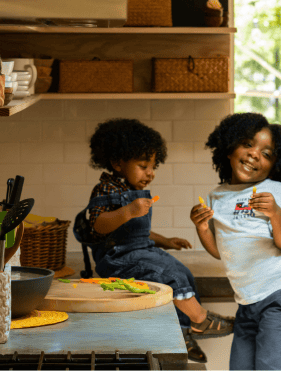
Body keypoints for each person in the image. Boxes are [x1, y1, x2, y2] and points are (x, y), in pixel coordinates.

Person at [73, 118, 235, 364]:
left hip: (141, 250)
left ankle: (183, 333)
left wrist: (166, 241)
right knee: (168, 275)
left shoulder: (131, 189)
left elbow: (137, 232)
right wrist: (128, 211)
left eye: (152, 166)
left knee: (182, 272)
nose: (150, 172)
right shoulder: (105, 189)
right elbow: (98, 225)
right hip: (117, 258)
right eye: (143, 165)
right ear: (118, 163)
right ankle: (201, 319)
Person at [191, 112, 281, 370]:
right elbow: (220, 250)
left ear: (275, 165)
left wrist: (276, 213)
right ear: (229, 148)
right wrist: (202, 228)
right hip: (247, 301)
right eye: (248, 144)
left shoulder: (272, 190)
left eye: (267, 154)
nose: (255, 154)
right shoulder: (217, 196)